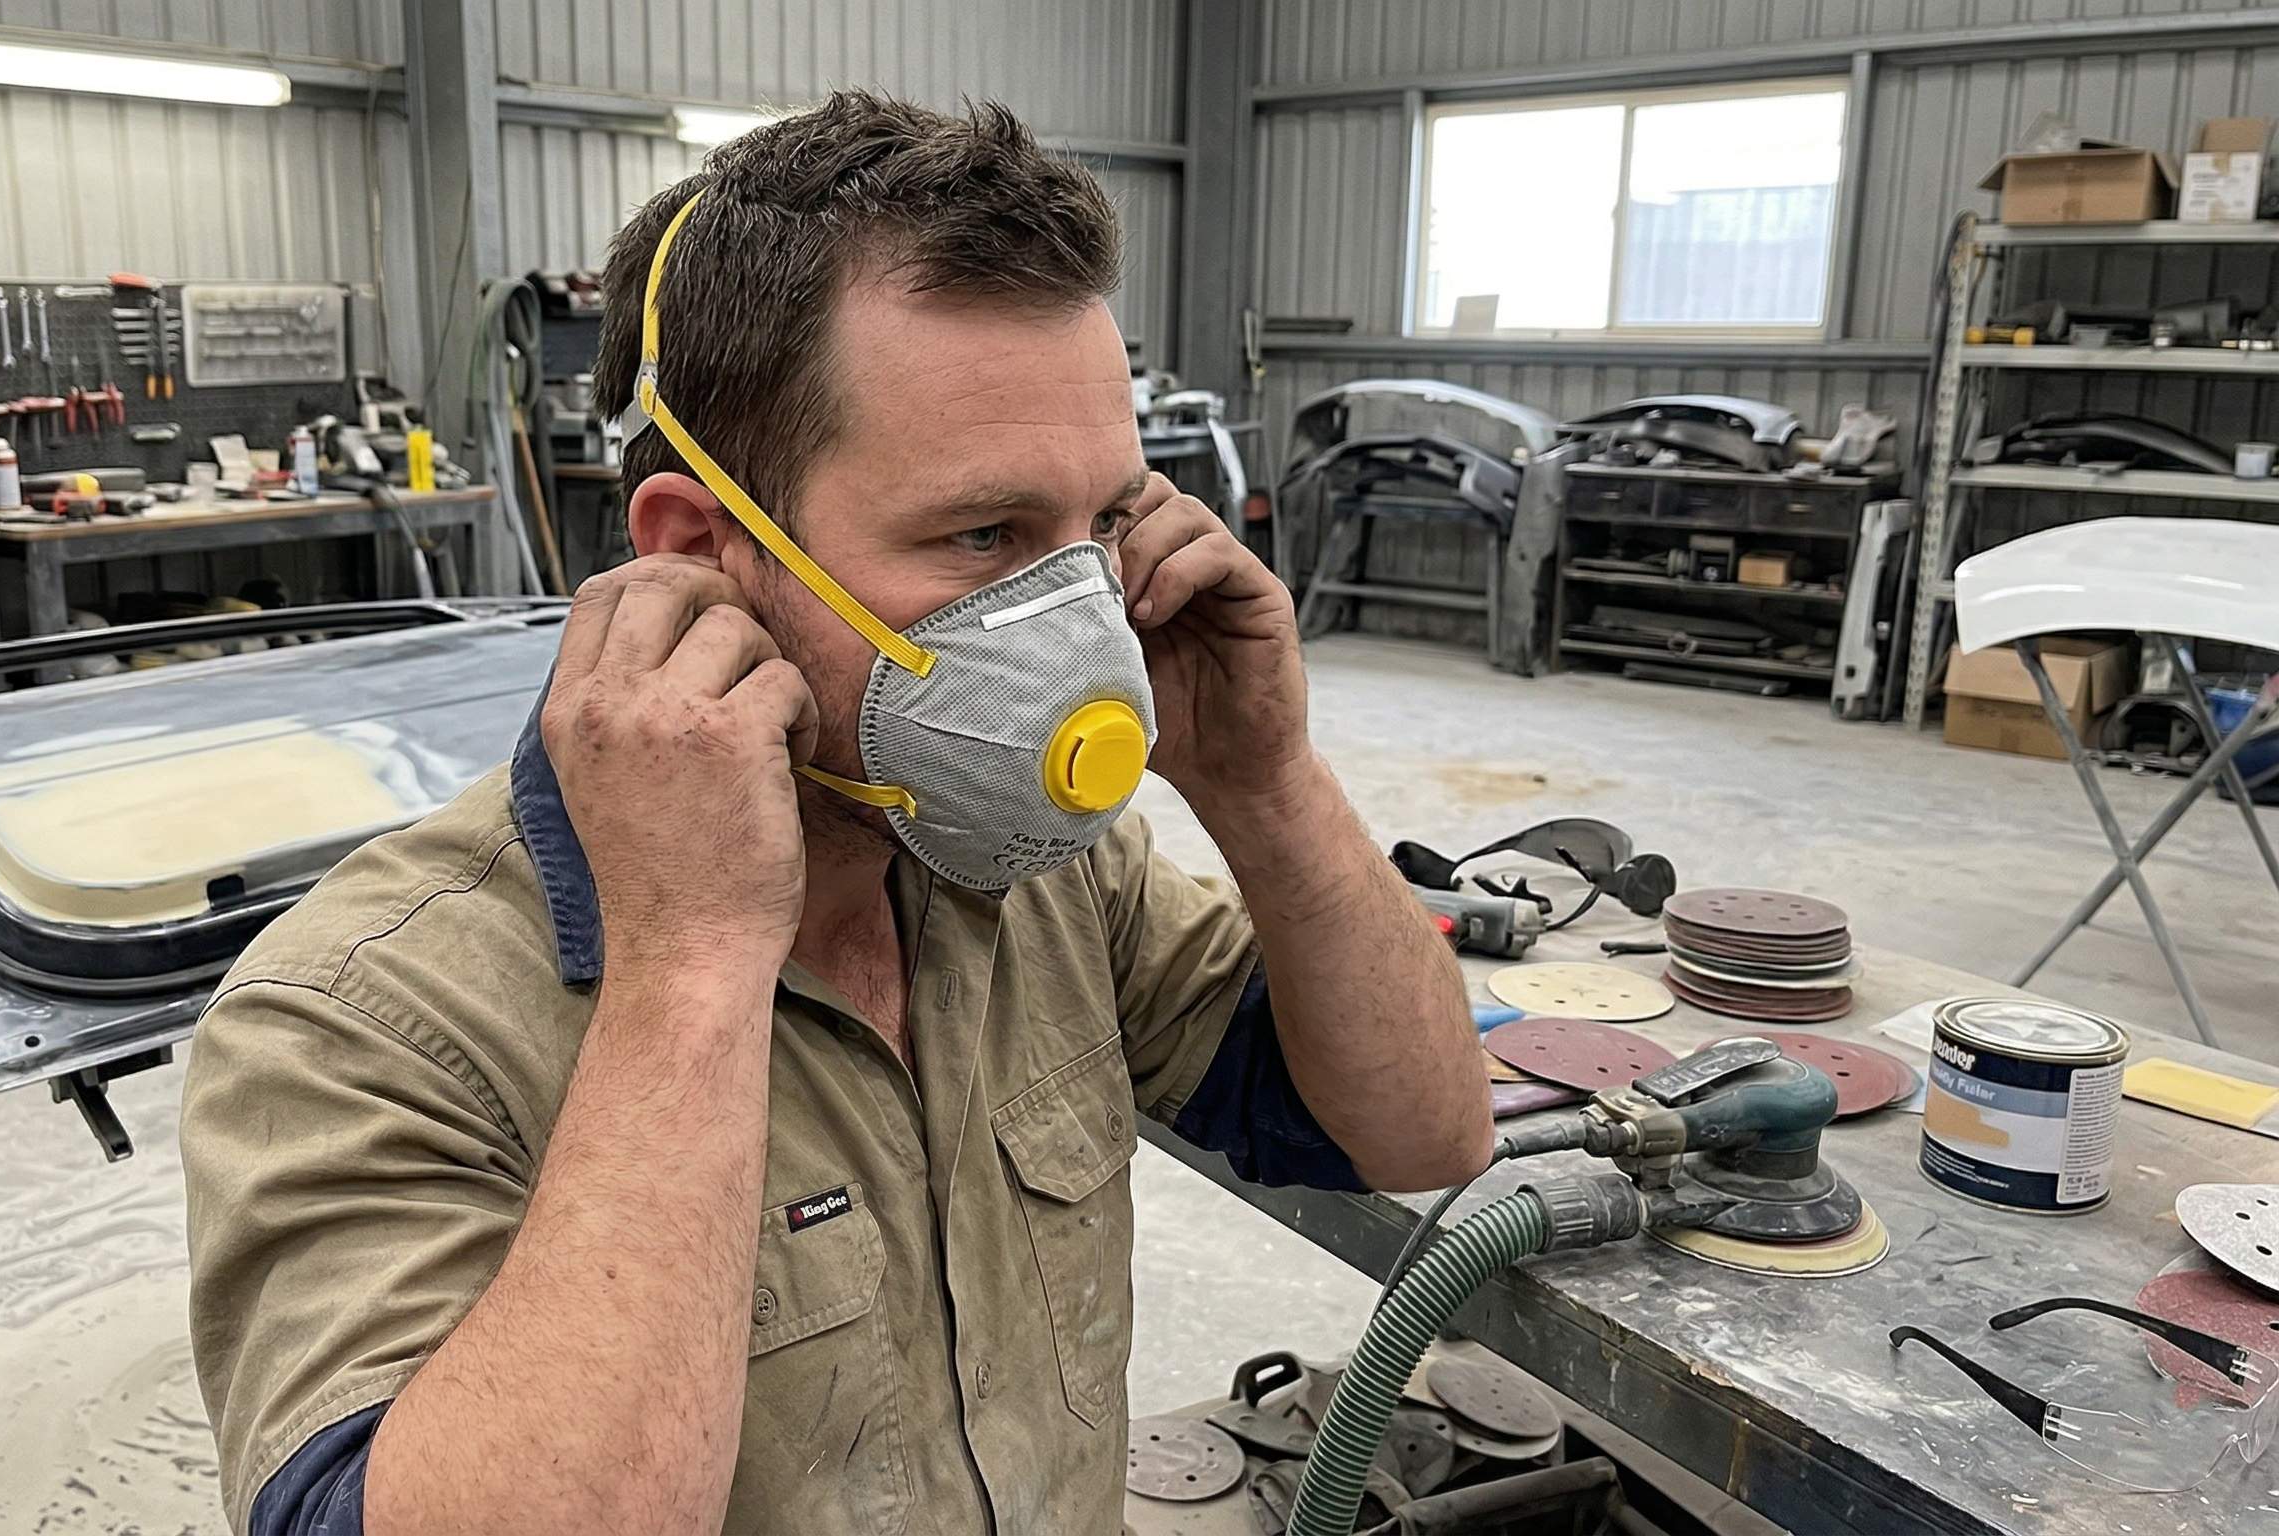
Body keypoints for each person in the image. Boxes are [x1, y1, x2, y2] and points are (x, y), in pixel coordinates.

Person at [182, 91, 1492, 1536]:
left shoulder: (1035, 871)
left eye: (1103, 525)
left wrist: (1268, 788)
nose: (1083, 621)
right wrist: (688, 962)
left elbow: (1422, 1133)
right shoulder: (357, 1018)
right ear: (701, 553)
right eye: (982, 535)